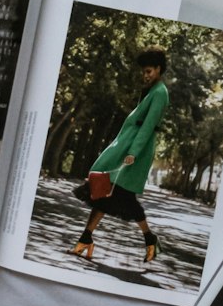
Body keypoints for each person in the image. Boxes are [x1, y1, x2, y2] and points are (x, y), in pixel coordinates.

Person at [71, 47, 169, 264]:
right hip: (126, 145)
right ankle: (85, 238)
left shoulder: (160, 93)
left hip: (135, 151)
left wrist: (133, 152)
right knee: (103, 189)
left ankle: (150, 239)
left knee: (123, 197)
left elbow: (148, 126)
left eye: (150, 71)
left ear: (159, 69)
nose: (146, 75)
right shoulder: (152, 90)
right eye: (144, 72)